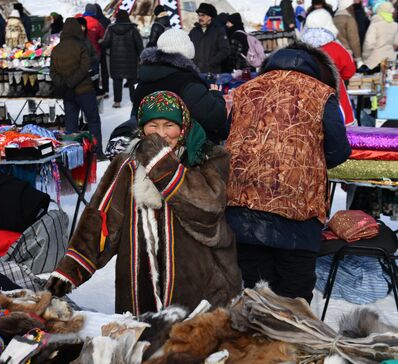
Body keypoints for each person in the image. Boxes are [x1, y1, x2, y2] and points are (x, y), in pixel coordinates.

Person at [46, 90, 241, 314]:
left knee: (194, 343)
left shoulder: (207, 158)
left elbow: (208, 209)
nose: (161, 134)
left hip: (200, 285)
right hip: (140, 287)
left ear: (183, 126)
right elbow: (101, 220)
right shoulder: (127, 165)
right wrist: (70, 270)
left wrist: (161, 164)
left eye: (169, 125)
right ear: (142, 128)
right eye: (153, 126)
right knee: (144, 343)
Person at [225, 42, 351, 303]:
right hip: (299, 215)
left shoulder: (244, 91)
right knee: (294, 299)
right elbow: (339, 150)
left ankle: (257, 341)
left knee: (256, 295)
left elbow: (230, 139)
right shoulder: (321, 93)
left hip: (243, 210)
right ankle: (293, 342)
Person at [133, 29, 228, 144]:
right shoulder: (188, 82)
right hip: (187, 152)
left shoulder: (144, 80)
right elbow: (215, 119)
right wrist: (216, 95)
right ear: (188, 51)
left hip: (151, 147)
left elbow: (137, 117)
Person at [50, 18, 103, 157]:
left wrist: (64, 83)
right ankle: (96, 152)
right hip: (84, 90)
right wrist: (72, 81)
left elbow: (52, 72)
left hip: (67, 92)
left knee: (71, 125)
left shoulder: (56, 49)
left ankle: (72, 155)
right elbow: (85, 67)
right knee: (93, 120)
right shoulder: (81, 46)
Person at [302, 9, 357, 126]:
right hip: (337, 103)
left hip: (308, 103)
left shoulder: (300, 48)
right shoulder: (336, 48)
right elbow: (349, 71)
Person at [103, 10, 143, 108]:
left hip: (115, 61)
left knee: (117, 81)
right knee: (133, 81)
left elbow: (106, 44)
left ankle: (117, 102)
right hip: (131, 61)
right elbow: (139, 45)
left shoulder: (111, 29)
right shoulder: (133, 29)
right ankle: (135, 102)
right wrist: (141, 57)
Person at [189, 3, 230, 74]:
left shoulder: (218, 30)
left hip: (212, 72)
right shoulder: (193, 31)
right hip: (195, 72)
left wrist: (211, 63)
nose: (200, 18)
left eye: (203, 15)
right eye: (199, 15)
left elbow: (225, 50)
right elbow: (188, 49)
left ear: (210, 17)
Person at [362, 1, 398, 72]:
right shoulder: (395, 25)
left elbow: (369, 44)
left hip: (375, 61)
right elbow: (396, 44)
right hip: (390, 60)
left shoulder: (374, 25)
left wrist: (365, 57)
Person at [334, 0, 363, 65]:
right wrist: (358, 58)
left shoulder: (334, 18)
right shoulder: (349, 19)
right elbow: (354, 40)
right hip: (348, 55)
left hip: (336, 53)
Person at [94, 4, 111, 97]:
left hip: (95, 49)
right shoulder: (107, 20)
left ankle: (96, 88)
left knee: (95, 70)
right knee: (105, 71)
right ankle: (106, 90)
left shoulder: (93, 21)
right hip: (104, 48)